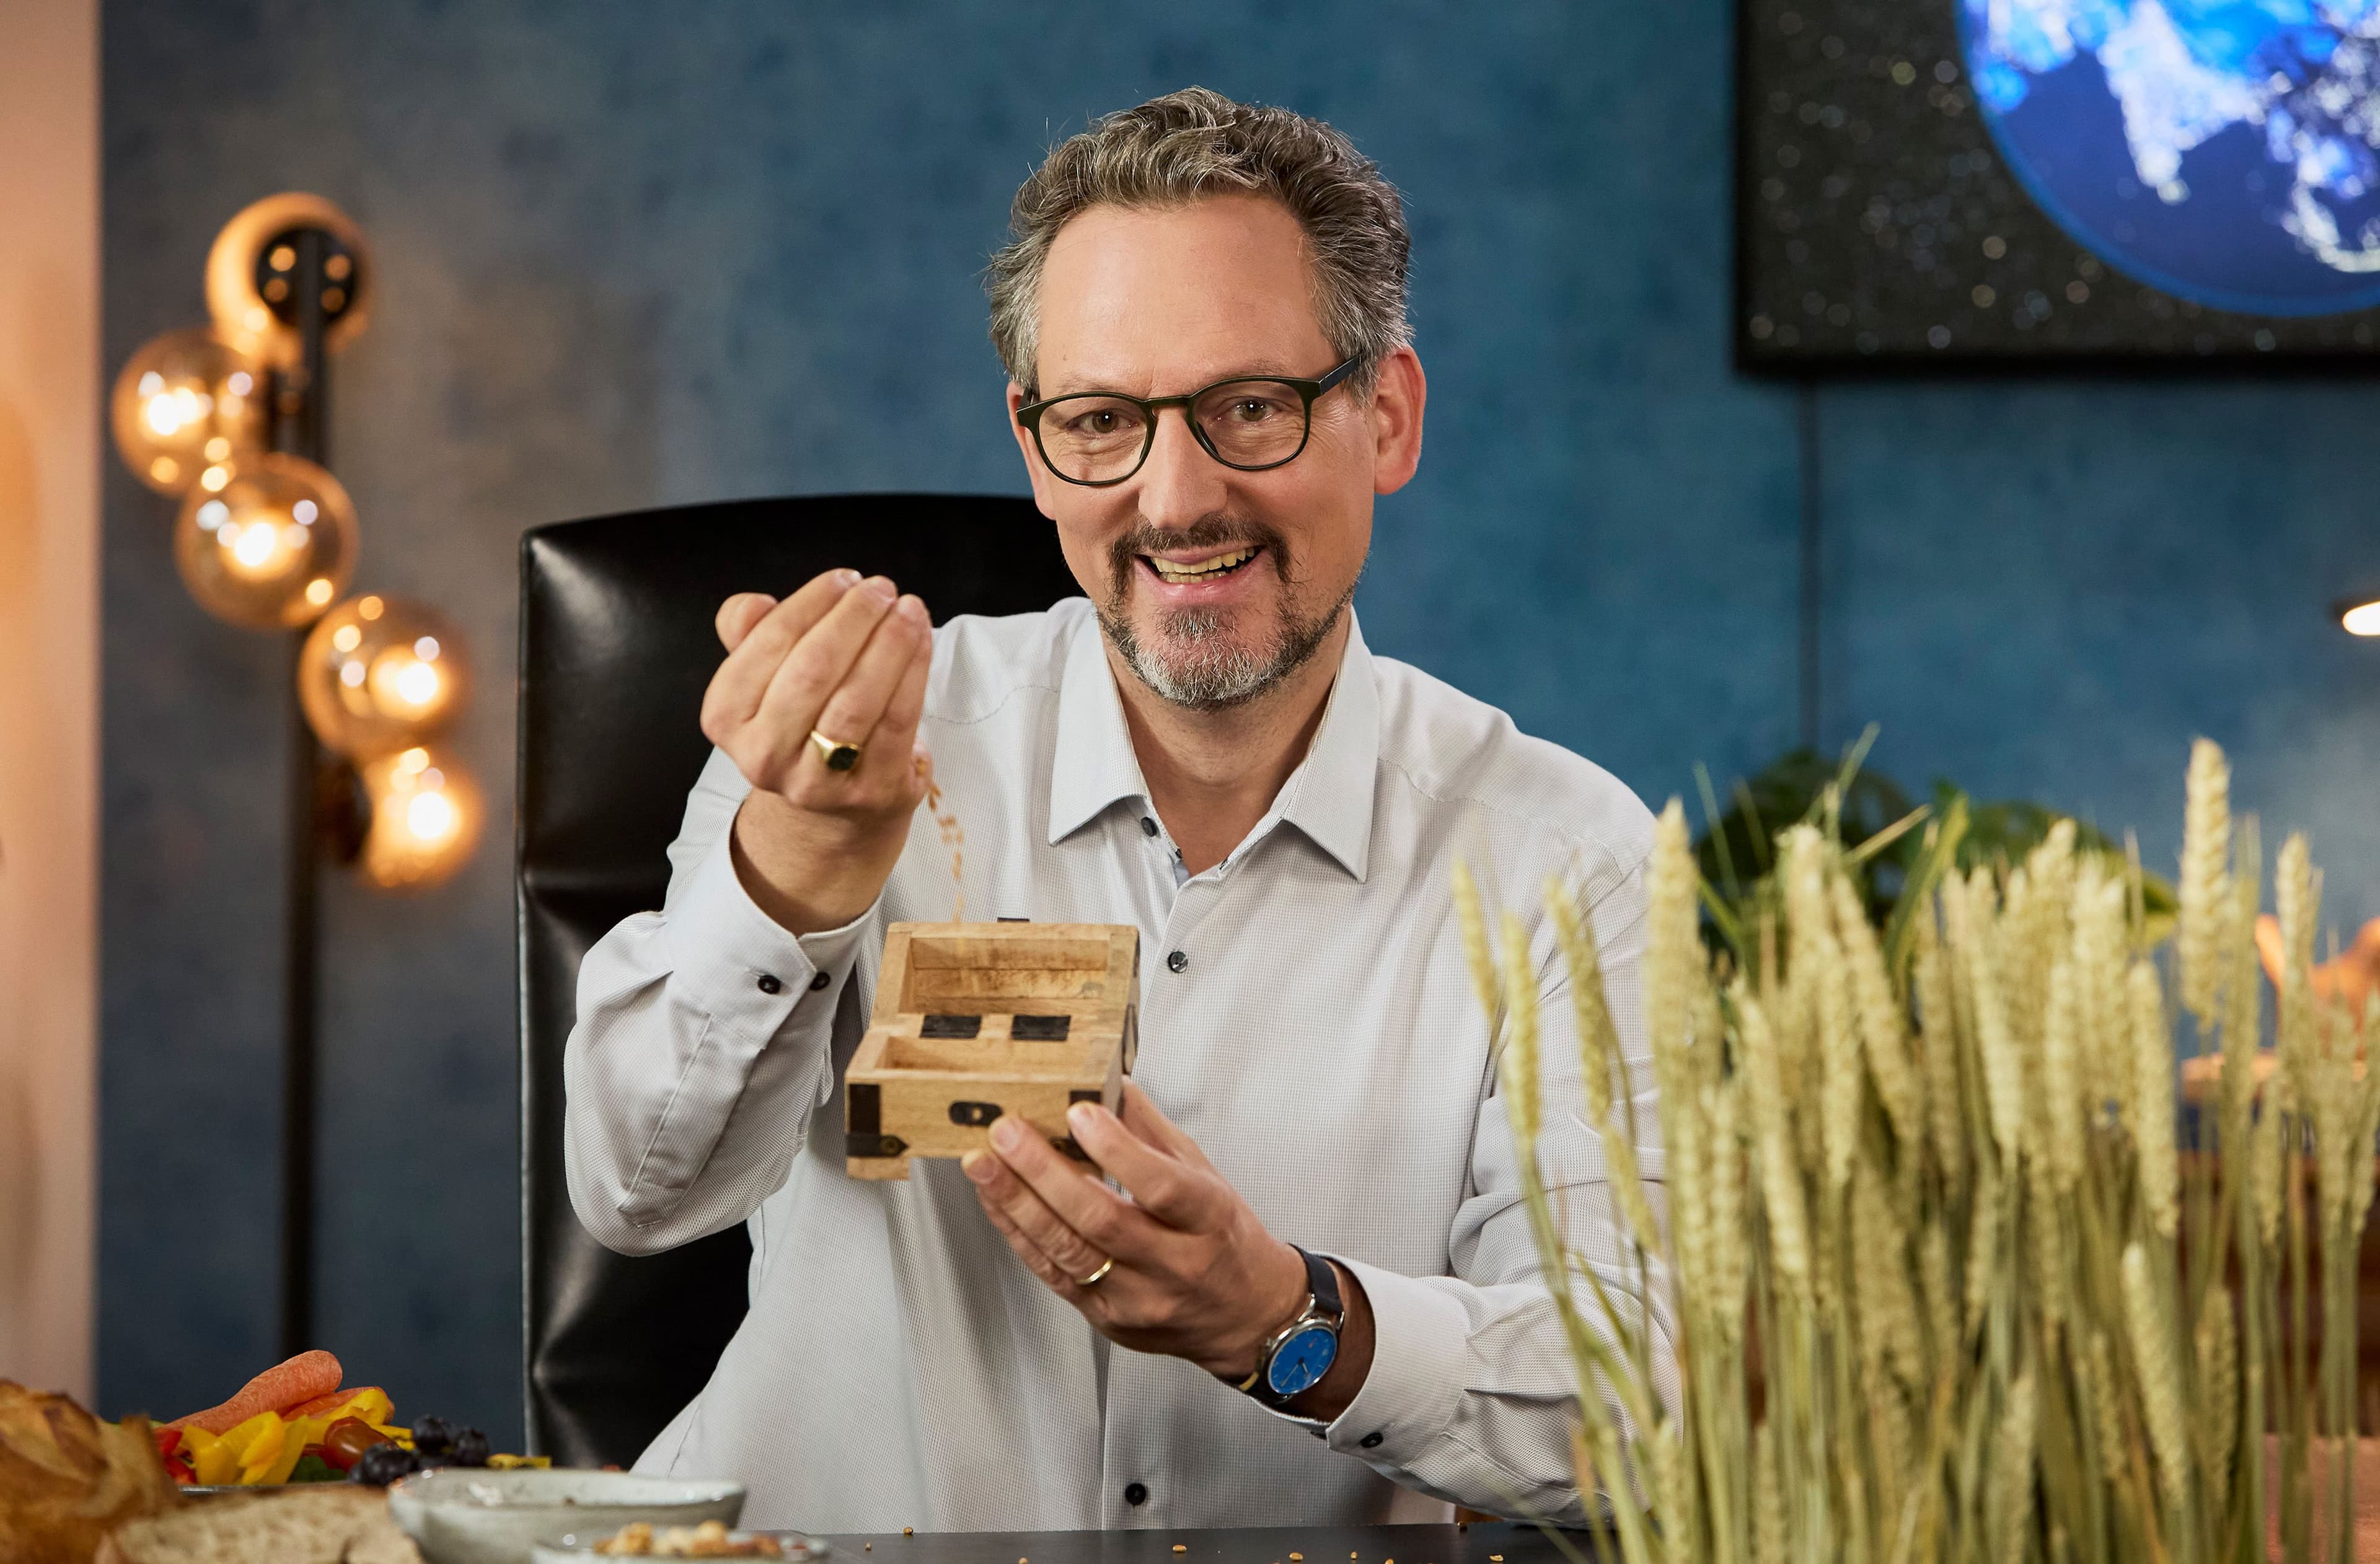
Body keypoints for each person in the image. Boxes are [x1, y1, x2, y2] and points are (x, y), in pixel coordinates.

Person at [564, 87, 1662, 1534]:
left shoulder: (1571, 866)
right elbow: (638, 1191)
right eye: (1100, 421)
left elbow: (1639, 1399)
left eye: (1251, 407)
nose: (1176, 493)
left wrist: (1291, 1319)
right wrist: (795, 877)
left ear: (1385, 416)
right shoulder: (858, 740)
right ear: (1035, 446)